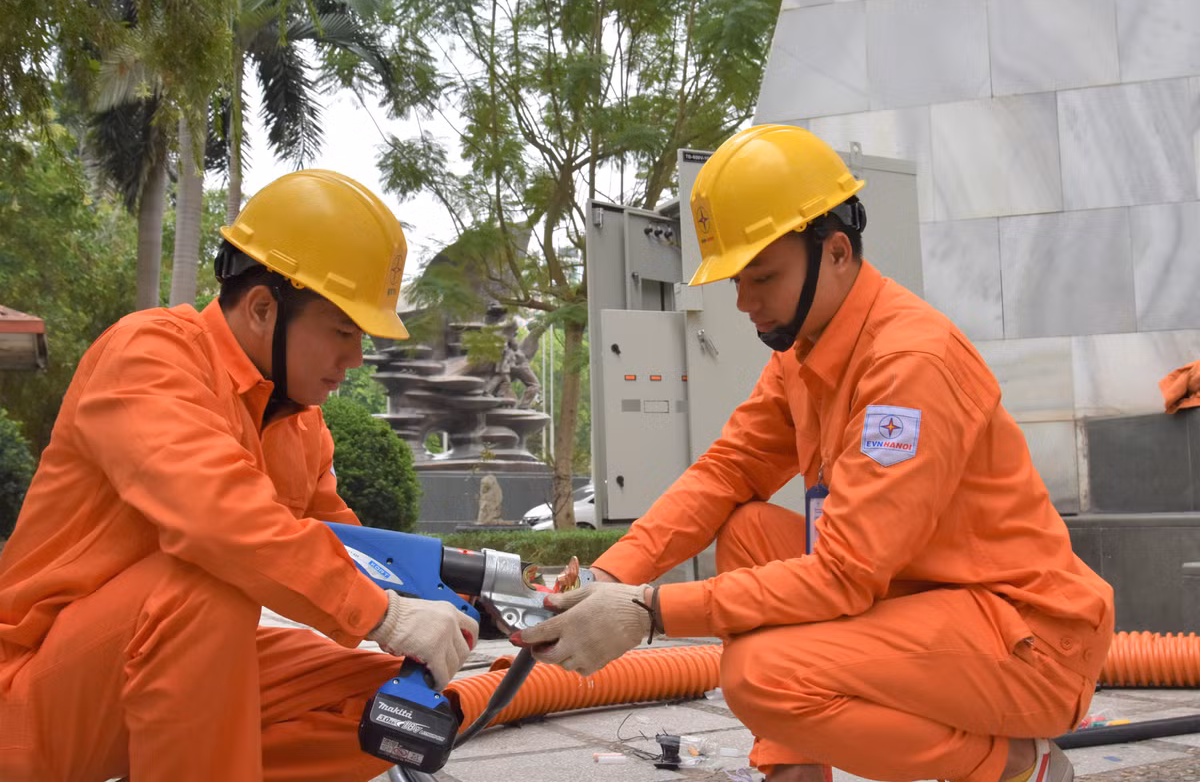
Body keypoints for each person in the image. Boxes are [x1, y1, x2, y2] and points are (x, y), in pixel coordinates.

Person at [512, 125, 1114, 782]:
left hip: (1027, 639)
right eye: (737, 279)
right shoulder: (805, 352)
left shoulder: (909, 366)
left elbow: (844, 576)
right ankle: (793, 772)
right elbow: (728, 471)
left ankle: (1013, 766)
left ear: (835, 253)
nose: (743, 302)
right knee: (746, 529)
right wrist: (610, 579)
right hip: (927, 602)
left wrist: (650, 612)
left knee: (761, 676)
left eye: (762, 276)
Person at [0, 169, 478, 782]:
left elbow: (344, 548)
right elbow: (219, 521)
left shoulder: (299, 423)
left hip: (155, 682)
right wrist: (382, 616)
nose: (356, 357)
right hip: (34, 701)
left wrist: (456, 590)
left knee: (394, 704)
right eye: (342, 331)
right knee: (211, 579)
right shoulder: (147, 356)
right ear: (262, 308)